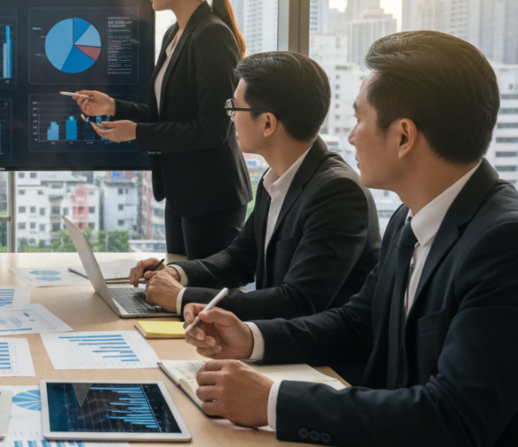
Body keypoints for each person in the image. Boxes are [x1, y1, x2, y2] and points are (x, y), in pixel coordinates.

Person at [182, 31, 518, 447]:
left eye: (360, 117)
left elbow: (454, 419)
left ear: (403, 136)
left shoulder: (502, 243)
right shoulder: (411, 216)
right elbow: (358, 321)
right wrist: (252, 338)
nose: (351, 134)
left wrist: (275, 401)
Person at [131, 51, 380, 322]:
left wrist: (181, 298)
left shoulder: (337, 192)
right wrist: (176, 273)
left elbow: (297, 302)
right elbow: (240, 258)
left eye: (234, 108)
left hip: (318, 362)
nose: (231, 117)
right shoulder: (275, 177)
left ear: (267, 123)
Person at [75, 0, 251, 258]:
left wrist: (138, 133)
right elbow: (168, 115)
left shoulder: (212, 36)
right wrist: (114, 106)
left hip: (211, 198)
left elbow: (213, 129)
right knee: (179, 290)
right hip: (181, 192)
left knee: (200, 298)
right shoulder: (175, 33)